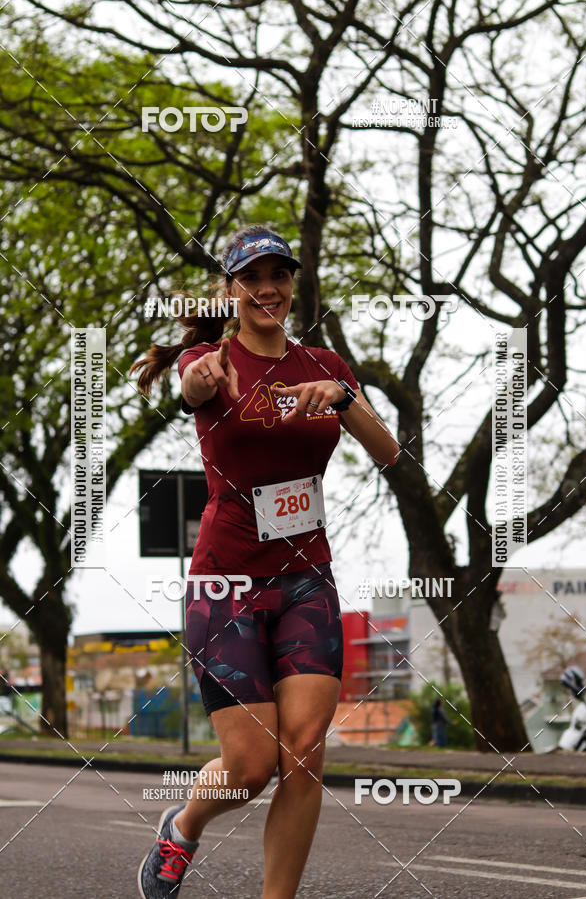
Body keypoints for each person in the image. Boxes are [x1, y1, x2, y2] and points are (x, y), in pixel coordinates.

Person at [131, 224, 399, 898]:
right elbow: (191, 392)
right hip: (226, 582)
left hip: (307, 578)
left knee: (303, 755)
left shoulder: (326, 366)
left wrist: (343, 400)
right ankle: (185, 823)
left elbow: (389, 451)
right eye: (252, 279)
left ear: (291, 287)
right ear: (232, 290)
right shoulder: (212, 360)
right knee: (249, 769)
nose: (267, 289)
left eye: (278, 276)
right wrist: (196, 379)